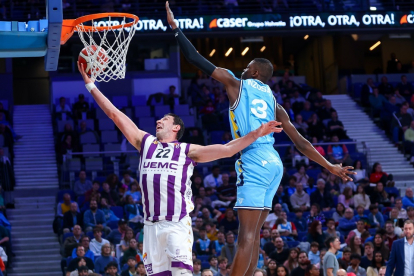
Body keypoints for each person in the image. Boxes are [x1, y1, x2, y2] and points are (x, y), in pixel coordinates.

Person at [166, 5, 355, 276]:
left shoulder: (235, 84)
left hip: (253, 160)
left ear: (255, 73)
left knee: (245, 237)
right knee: (254, 236)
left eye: (247, 67)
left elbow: (195, 58)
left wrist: (175, 29)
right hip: (274, 164)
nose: (242, 69)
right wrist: (329, 166)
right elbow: (301, 143)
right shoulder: (274, 101)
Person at [78, 61, 282, 276]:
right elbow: (114, 114)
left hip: (176, 224)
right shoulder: (144, 142)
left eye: (164, 119)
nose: (158, 120)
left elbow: (227, 149)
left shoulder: (187, 150)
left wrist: (255, 134)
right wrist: (90, 84)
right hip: (150, 227)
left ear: (176, 127)